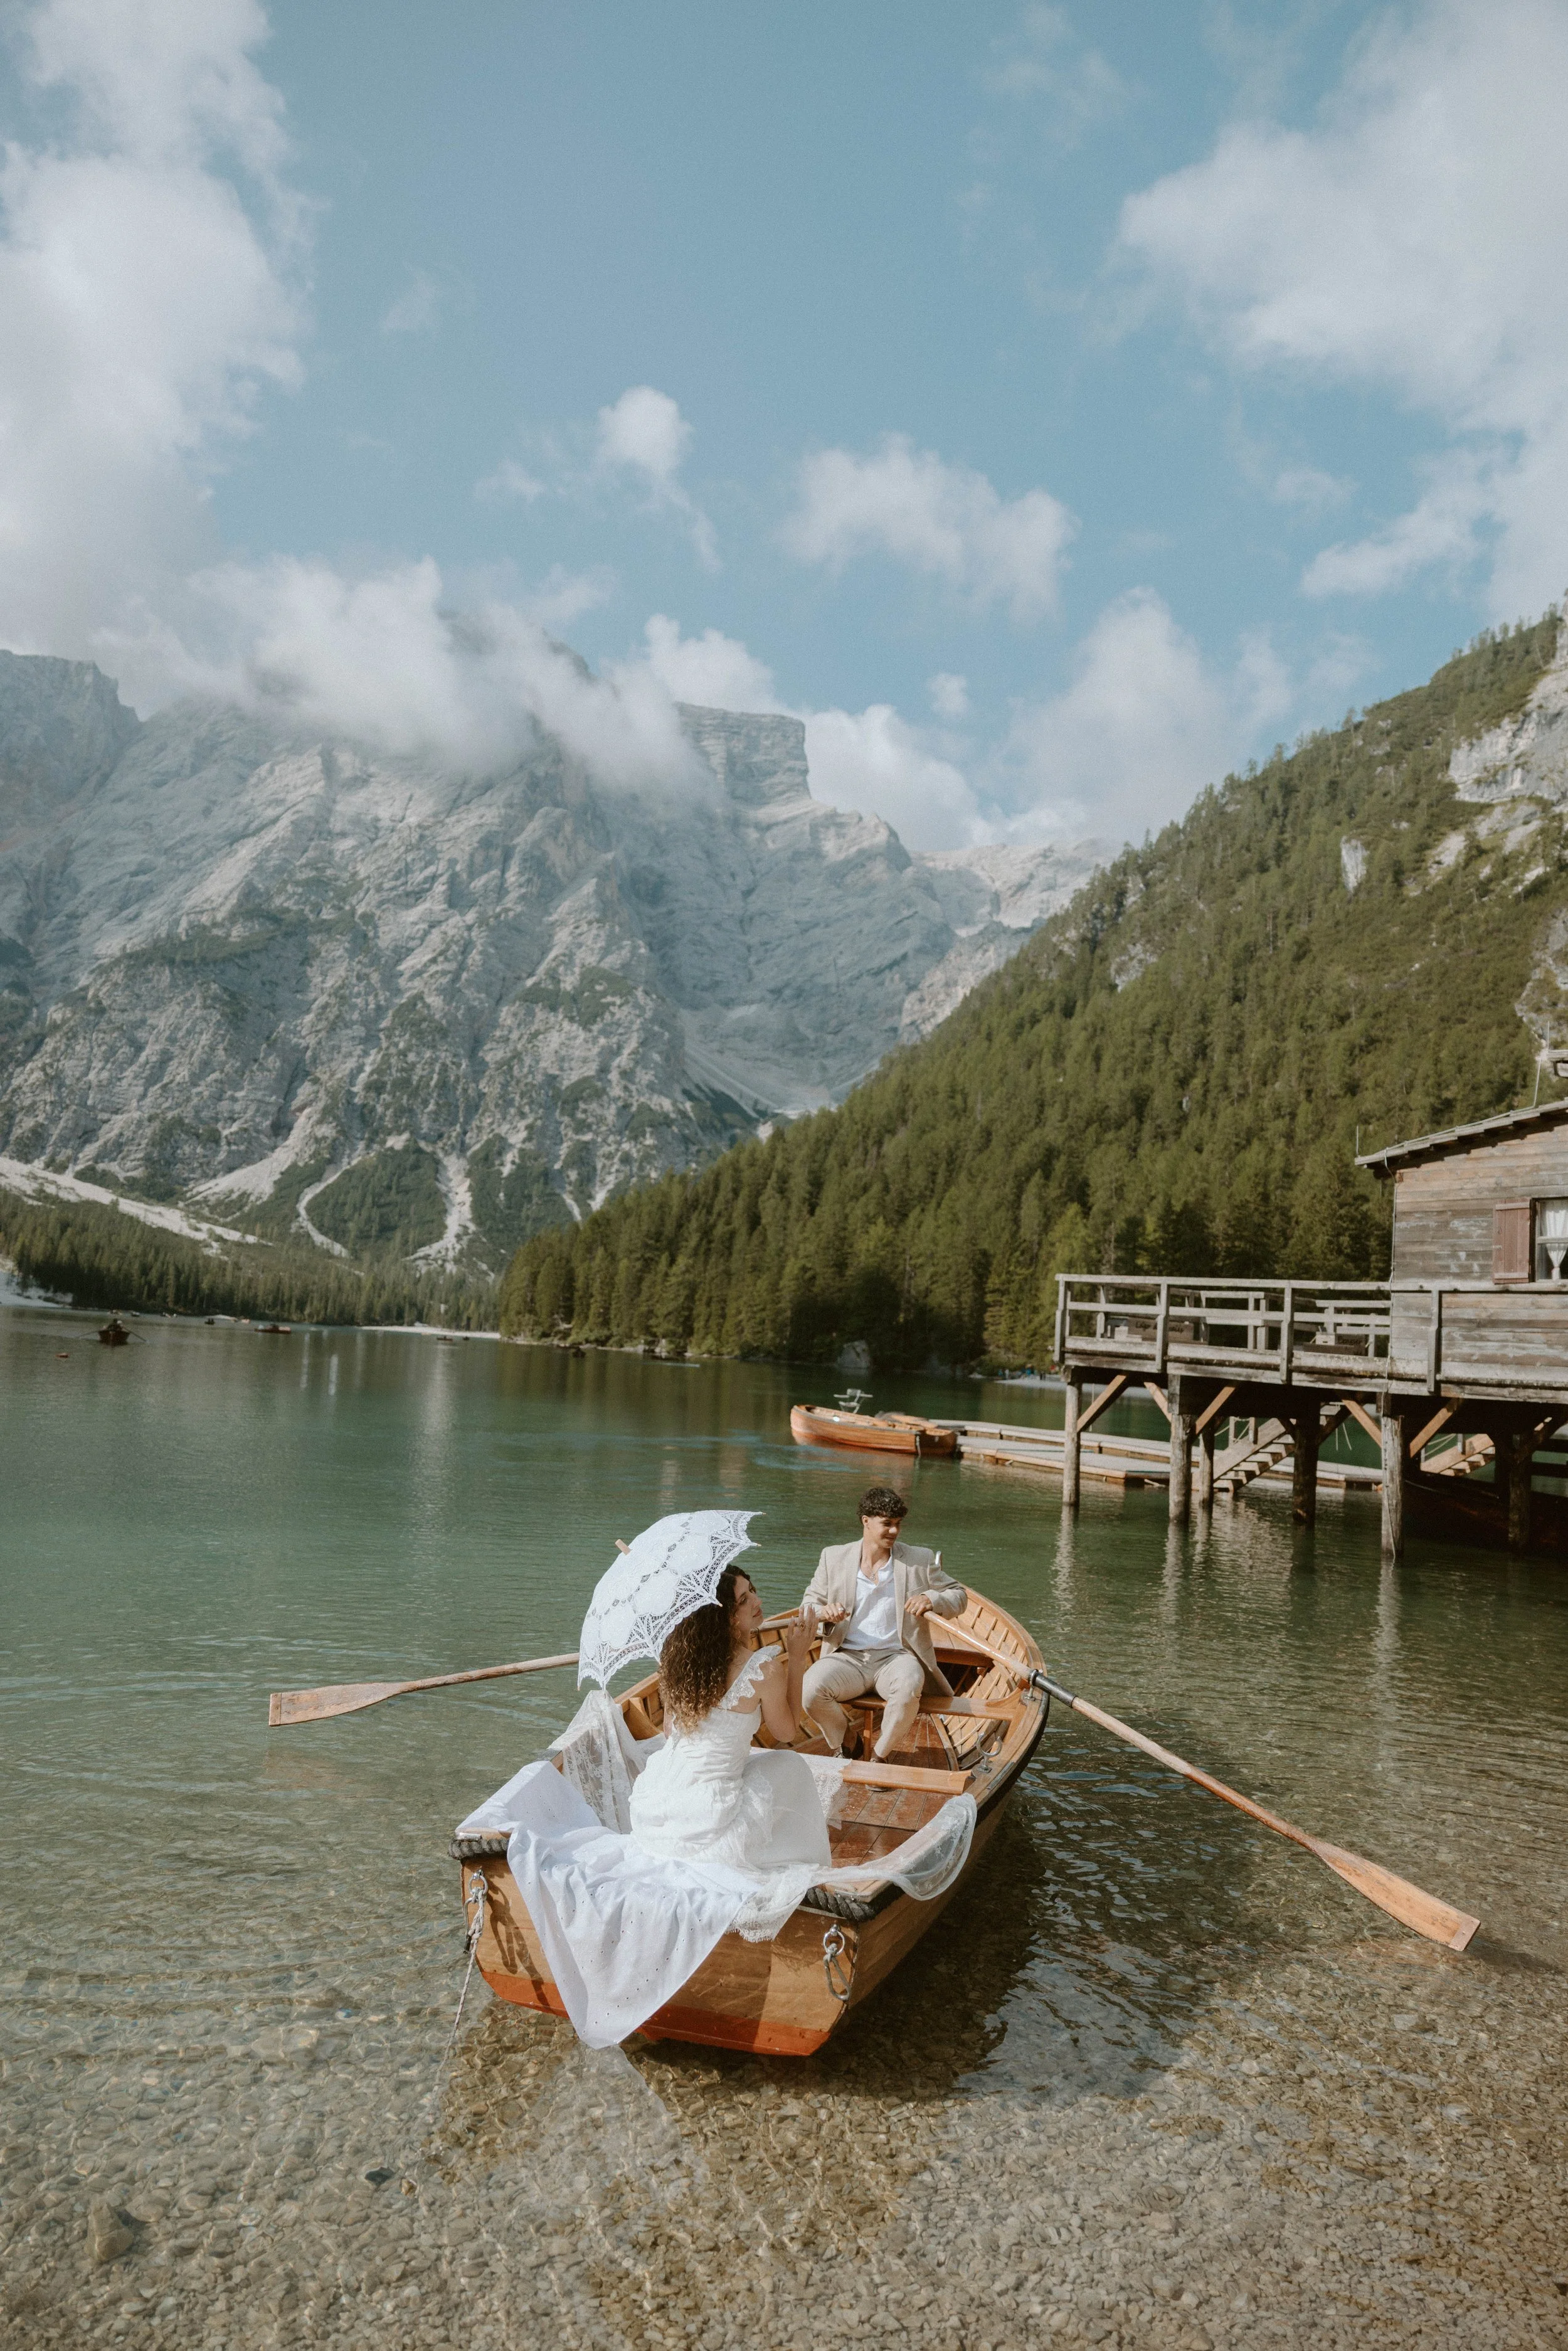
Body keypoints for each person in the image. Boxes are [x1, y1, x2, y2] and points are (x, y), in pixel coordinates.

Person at [627, 1564, 832, 1874]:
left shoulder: (677, 1661)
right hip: (711, 1809)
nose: (757, 1601)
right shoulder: (762, 1669)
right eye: (744, 1600)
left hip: (662, 1793)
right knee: (792, 1766)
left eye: (752, 1590)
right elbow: (788, 1731)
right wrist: (798, 1654)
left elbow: (669, 1731)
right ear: (726, 1617)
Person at [800, 1486, 967, 1760]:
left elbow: (958, 1596)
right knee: (810, 1690)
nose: (894, 1531)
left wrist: (931, 1598)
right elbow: (809, 1606)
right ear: (866, 1521)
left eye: (898, 1524)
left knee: (911, 1681)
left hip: (896, 1657)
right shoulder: (833, 1557)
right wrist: (823, 1613)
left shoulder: (919, 1559)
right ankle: (848, 1741)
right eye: (887, 1524)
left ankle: (879, 1756)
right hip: (847, 1658)